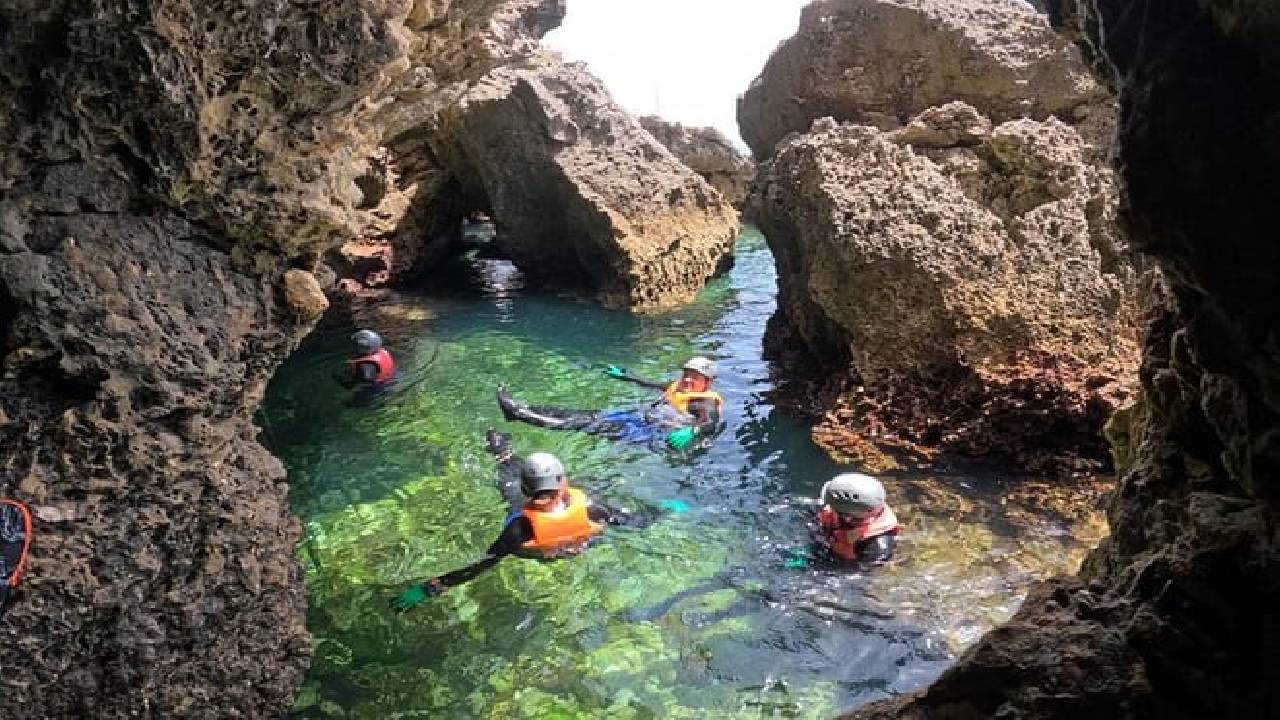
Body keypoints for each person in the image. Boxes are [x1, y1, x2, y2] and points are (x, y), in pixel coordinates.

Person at [390, 430, 666, 612]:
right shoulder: (591, 508)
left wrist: (429, 589)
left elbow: (482, 563)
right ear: (565, 482)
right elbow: (635, 521)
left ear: (527, 491)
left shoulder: (520, 528)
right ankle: (505, 453)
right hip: (581, 543)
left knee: (507, 476)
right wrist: (668, 507)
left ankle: (503, 453)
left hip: (537, 542)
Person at [495, 356, 725, 451]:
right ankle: (526, 407)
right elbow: (652, 384)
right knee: (585, 415)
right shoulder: (679, 387)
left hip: (648, 433)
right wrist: (624, 374)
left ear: (707, 382)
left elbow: (710, 423)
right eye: (686, 373)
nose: (687, 379)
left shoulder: (703, 403)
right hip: (637, 419)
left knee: (585, 425)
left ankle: (520, 414)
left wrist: (693, 431)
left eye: (694, 377)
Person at [812, 473, 901, 565]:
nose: (828, 506)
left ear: (847, 517)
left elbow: (855, 574)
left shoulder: (877, 547)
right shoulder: (862, 508)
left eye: (832, 506)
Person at [336, 329, 397, 402]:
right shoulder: (381, 352)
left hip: (376, 387)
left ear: (363, 347)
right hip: (392, 379)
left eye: (356, 345)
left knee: (348, 403)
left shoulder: (366, 365)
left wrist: (340, 379)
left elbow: (363, 383)